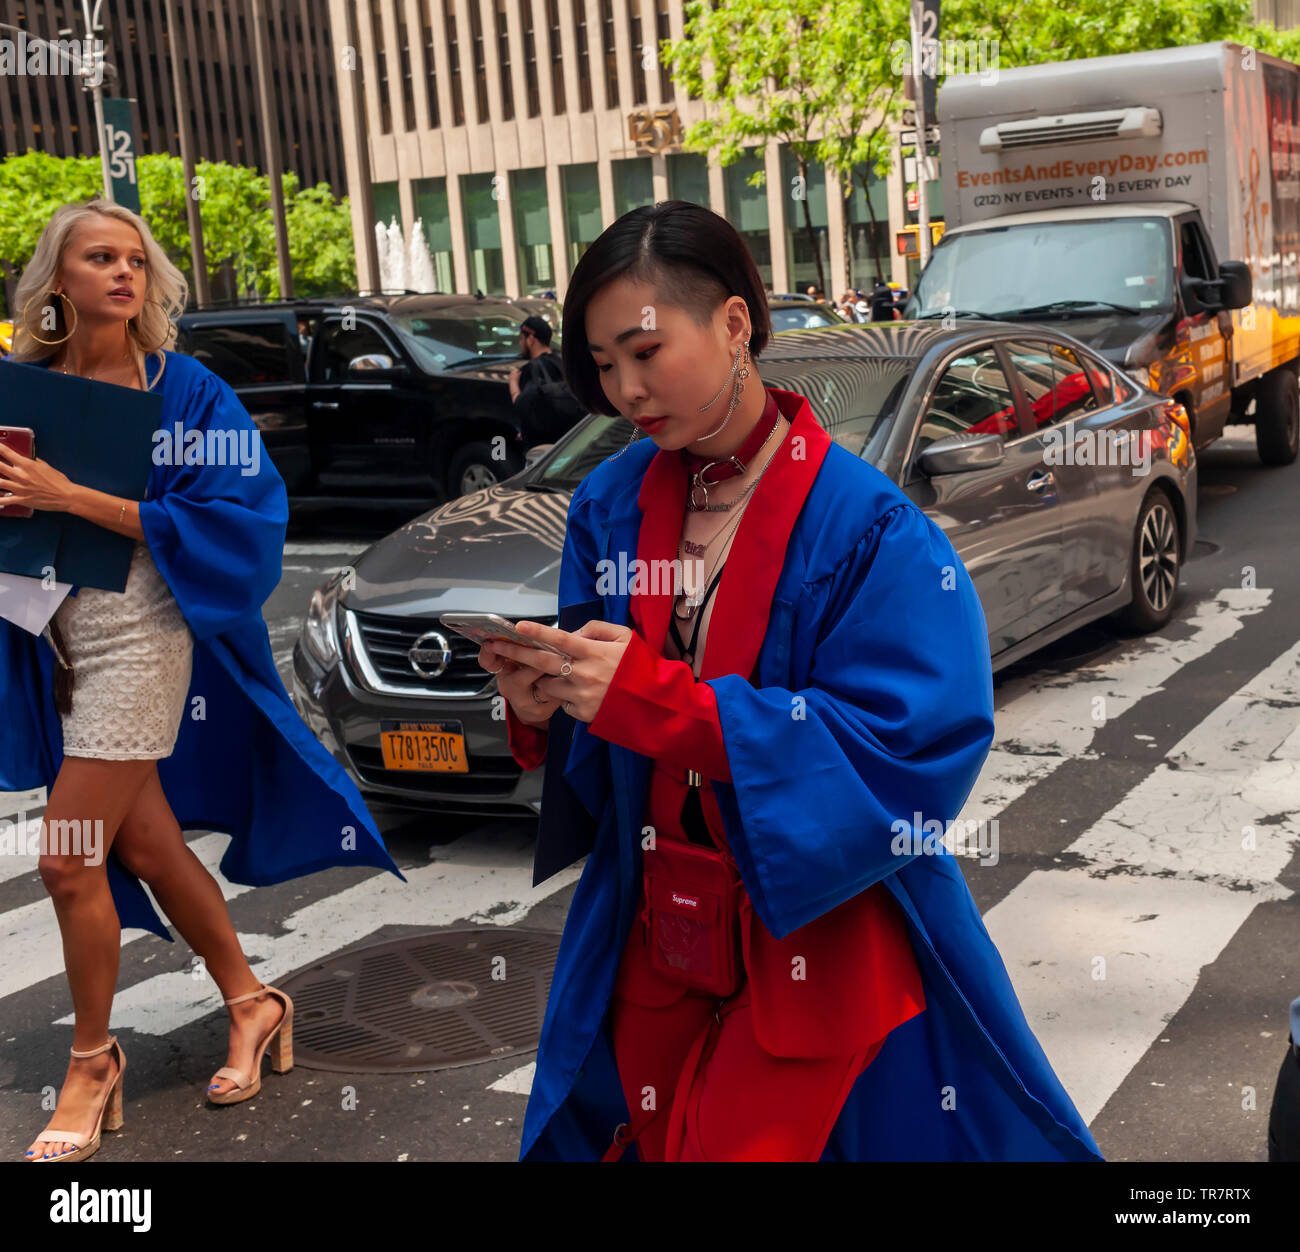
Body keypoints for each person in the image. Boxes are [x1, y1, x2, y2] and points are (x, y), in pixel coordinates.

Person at [476, 199, 1103, 1162]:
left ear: (735, 324)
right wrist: (542, 707)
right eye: (602, 365)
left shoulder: (867, 525)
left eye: (645, 351)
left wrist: (652, 701)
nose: (627, 390)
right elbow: (601, 724)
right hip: (654, 924)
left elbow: (911, 745)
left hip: (814, 923)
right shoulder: (608, 502)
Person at [0, 198, 402, 1162]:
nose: (123, 274)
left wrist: (69, 495)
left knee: (65, 856)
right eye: (100, 258)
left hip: (143, 641)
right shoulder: (24, 390)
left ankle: (92, 1062)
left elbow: (241, 524)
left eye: (135, 260)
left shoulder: (186, 393)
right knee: (146, 846)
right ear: (60, 279)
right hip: (46, 639)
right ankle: (254, 1002)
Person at [510, 314, 583, 450]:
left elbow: (524, 406)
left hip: (545, 449)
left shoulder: (532, 369)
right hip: (572, 439)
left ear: (531, 339)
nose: (521, 344)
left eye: (521, 339)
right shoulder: (561, 362)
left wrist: (513, 383)